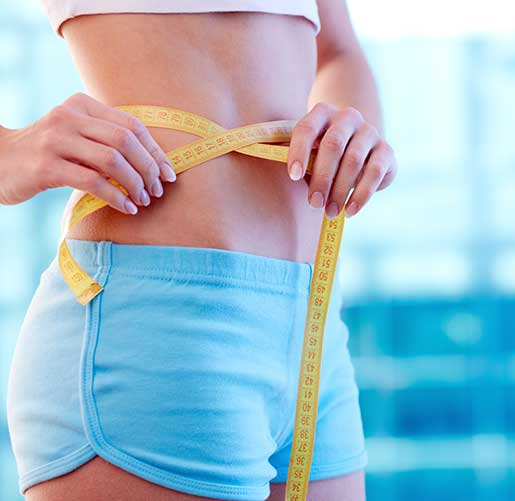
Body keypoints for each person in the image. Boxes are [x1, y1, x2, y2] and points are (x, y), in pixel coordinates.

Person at [1, 0, 397, 499]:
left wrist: (355, 132)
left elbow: (338, 53)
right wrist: (8, 153)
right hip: (152, 325)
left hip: (310, 325)